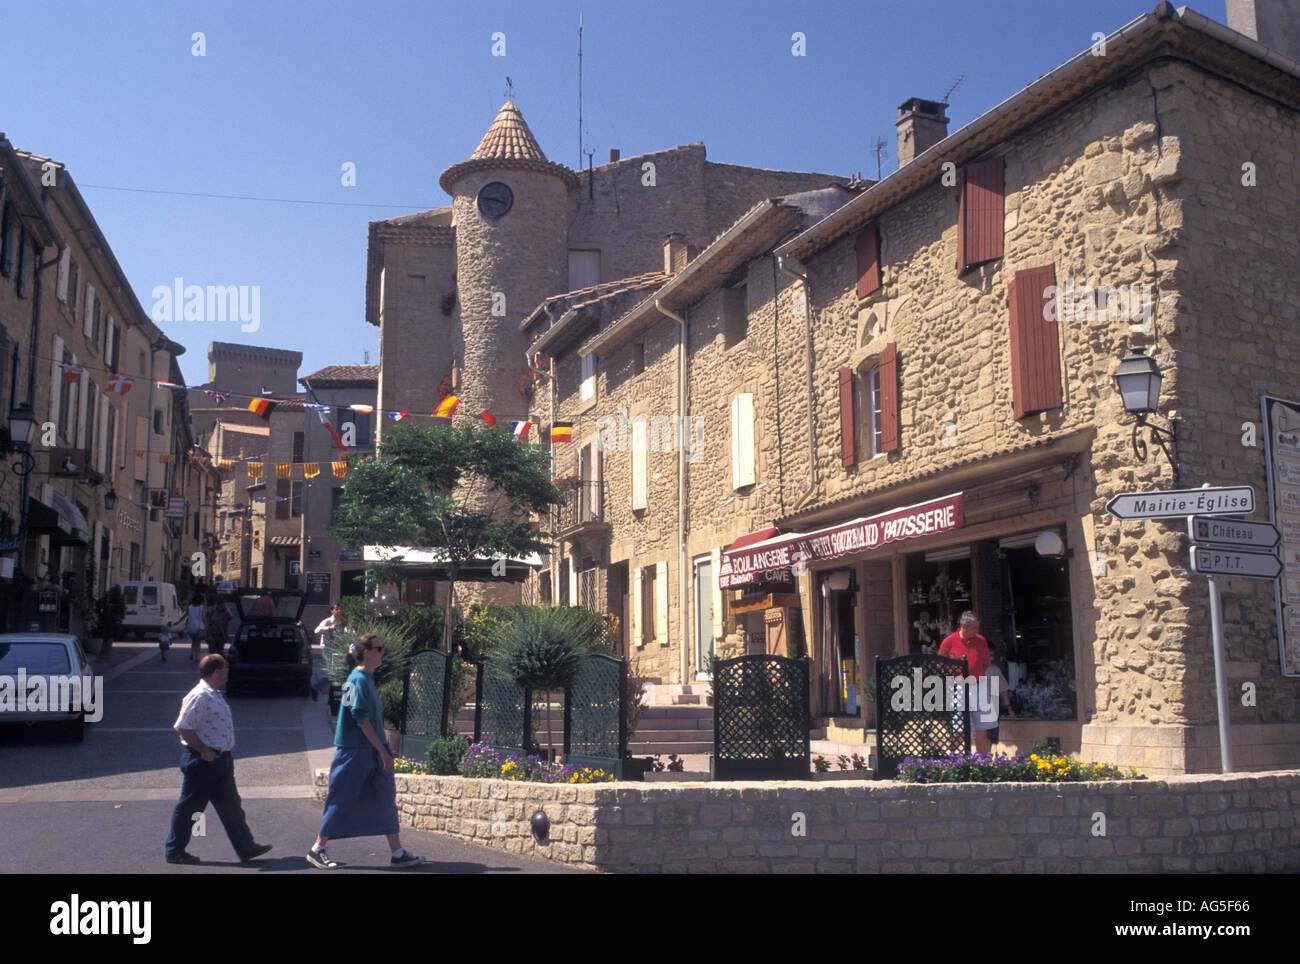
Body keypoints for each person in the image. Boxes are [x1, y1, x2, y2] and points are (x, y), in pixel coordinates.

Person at [308, 634, 423, 870]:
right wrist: (382, 751)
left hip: (371, 750)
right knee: (341, 797)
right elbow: (360, 718)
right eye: (379, 649)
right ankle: (317, 849)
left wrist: (381, 751)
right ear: (366, 652)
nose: (382, 653)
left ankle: (397, 853)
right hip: (355, 751)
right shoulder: (356, 680)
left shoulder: (366, 678)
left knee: (385, 798)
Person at [165, 655, 272, 865]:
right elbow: (183, 727)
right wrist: (203, 750)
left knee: (231, 804)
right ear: (216, 672)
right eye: (226, 667)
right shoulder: (200, 696)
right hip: (203, 761)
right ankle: (174, 851)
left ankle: (246, 847)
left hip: (220, 760)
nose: (228, 670)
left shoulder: (214, 693)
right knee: (190, 807)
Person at [938, 611, 993, 753]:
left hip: (979, 686)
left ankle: (982, 761)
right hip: (959, 687)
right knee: (959, 730)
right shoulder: (949, 641)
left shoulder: (981, 640)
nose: (977, 631)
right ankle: (949, 758)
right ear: (964, 626)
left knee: (982, 730)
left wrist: (976, 675)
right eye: (974, 628)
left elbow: (986, 663)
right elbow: (940, 665)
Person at [984, 642, 1015, 745]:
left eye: (993, 655)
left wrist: (1009, 708)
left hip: (991, 706)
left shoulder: (994, 670)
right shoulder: (973, 669)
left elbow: (1002, 690)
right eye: (989, 655)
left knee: (990, 738)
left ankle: (987, 754)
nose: (992, 658)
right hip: (976, 707)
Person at [205, 593, 230, 658]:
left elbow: (231, 616)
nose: (221, 607)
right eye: (220, 605)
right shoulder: (212, 611)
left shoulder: (225, 613)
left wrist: (226, 608)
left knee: (220, 653)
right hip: (212, 636)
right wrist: (206, 635)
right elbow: (208, 623)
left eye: (223, 605)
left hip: (221, 635)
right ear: (217, 605)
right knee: (212, 653)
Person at [187, 592, 207, 662]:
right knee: (198, 643)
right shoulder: (201, 607)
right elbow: (203, 617)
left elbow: (187, 614)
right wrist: (206, 625)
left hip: (190, 627)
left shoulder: (190, 607)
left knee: (193, 640)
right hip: (198, 628)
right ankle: (197, 657)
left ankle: (192, 652)